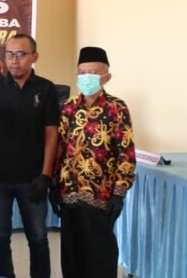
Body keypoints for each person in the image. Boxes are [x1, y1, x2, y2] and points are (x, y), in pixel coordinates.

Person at [0, 34, 58, 278]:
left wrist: (46, 175)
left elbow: (52, 133)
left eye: (21, 54)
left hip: (32, 177)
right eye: (9, 54)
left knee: (38, 237)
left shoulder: (46, 89)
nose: (14, 60)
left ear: (34, 57)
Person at [51, 46, 136, 278]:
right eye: (82, 72)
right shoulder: (68, 107)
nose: (86, 77)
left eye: (93, 73)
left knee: (100, 254)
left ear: (106, 77)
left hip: (101, 194)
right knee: (72, 255)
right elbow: (60, 147)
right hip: (69, 192)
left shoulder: (117, 108)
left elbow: (126, 152)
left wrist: (119, 192)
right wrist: (53, 184)